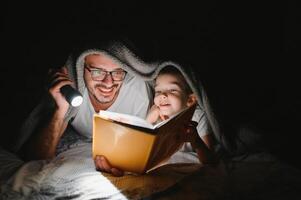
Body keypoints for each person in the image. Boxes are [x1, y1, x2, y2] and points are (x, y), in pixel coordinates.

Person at [13, 37, 154, 176]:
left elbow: (143, 149)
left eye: (117, 72)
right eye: (97, 72)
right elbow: (37, 160)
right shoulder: (74, 91)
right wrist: (60, 110)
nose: (108, 83)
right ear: (81, 69)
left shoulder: (138, 94)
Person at [146, 66, 217, 164]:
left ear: (190, 100)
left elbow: (210, 162)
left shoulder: (198, 116)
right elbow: (141, 149)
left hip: (190, 166)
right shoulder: (155, 115)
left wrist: (195, 140)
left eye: (172, 90)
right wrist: (148, 121)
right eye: (158, 91)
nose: (162, 95)